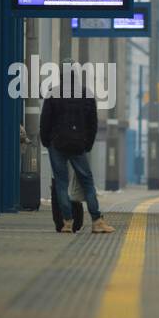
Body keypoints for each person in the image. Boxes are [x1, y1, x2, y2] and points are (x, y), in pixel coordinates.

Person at [39, 64, 114, 234]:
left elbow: (45, 120)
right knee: (87, 182)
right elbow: (92, 123)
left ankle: (67, 223)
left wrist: (46, 141)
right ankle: (97, 221)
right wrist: (88, 144)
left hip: (57, 144)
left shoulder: (53, 93)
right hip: (78, 145)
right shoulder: (86, 93)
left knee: (61, 183)